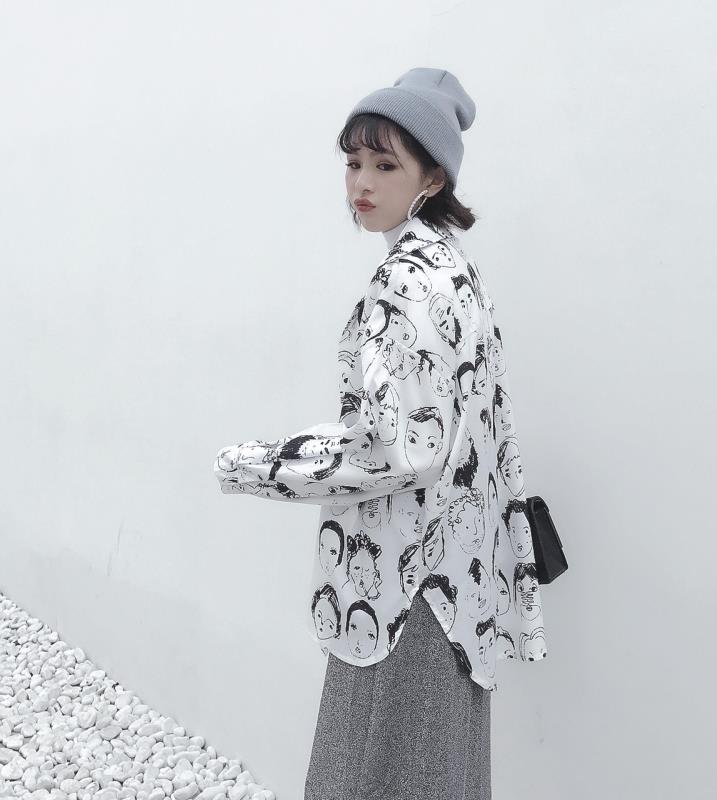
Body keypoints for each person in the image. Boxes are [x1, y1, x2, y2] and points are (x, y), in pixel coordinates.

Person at [213, 66, 547, 800]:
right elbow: (488, 436)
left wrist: (255, 464)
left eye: (385, 165)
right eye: (353, 161)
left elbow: (400, 449)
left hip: (400, 591)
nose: (361, 182)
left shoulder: (406, 281)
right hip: (455, 585)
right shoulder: (455, 271)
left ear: (433, 178)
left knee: (372, 779)